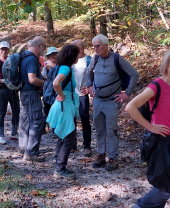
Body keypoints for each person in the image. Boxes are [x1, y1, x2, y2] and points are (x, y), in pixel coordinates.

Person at [125, 49, 170, 208]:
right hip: (159, 143)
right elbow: (130, 107)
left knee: (161, 185)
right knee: (168, 189)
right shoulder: (156, 86)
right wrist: (150, 126)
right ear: (166, 65)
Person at [86, 34, 139, 171]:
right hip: (98, 100)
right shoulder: (95, 58)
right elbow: (88, 71)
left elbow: (134, 74)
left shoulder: (117, 59)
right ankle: (100, 155)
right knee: (99, 129)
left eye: (98, 46)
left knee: (111, 130)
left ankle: (113, 158)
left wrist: (126, 93)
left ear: (106, 46)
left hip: (112, 101)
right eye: (94, 46)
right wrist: (90, 85)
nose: (95, 48)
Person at [47, 44, 80, 180]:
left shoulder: (61, 67)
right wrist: (62, 95)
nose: (78, 56)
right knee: (69, 138)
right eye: (77, 54)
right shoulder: (66, 68)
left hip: (61, 105)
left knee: (62, 136)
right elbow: (56, 83)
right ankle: (60, 168)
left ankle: (58, 164)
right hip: (64, 106)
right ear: (72, 56)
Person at [19, 36, 46, 163]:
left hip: (24, 92)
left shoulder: (24, 56)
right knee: (36, 120)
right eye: (44, 46)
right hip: (31, 93)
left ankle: (23, 147)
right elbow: (32, 79)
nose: (45, 49)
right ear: (38, 46)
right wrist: (46, 83)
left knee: (25, 119)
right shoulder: (31, 59)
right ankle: (31, 153)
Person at [0, 41, 20, 143]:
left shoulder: (13, 61)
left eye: (6, 49)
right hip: (1, 89)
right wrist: (3, 81)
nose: (4, 51)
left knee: (16, 111)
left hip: (13, 89)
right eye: (2, 49)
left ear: (9, 50)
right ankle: (1, 135)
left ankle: (14, 133)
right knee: (2, 112)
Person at [72, 39, 92, 156]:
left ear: (81, 49)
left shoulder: (89, 60)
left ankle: (87, 145)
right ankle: (72, 144)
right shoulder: (71, 60)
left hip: (82, 95)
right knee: (71, 120)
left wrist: (90, 87)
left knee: (85, 120)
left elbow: (95, 75)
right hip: (71, 95)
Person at [42, 46, 58, 134]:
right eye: (51, 54)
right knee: (46, 110)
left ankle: (54, 131)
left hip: (57, 90)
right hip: (48, 91)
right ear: (48, 56)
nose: (53, 56)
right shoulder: (45, 65)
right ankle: (42, 127)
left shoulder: (60, 64)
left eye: (55, 54)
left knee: (56, 110)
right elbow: (44, 77)